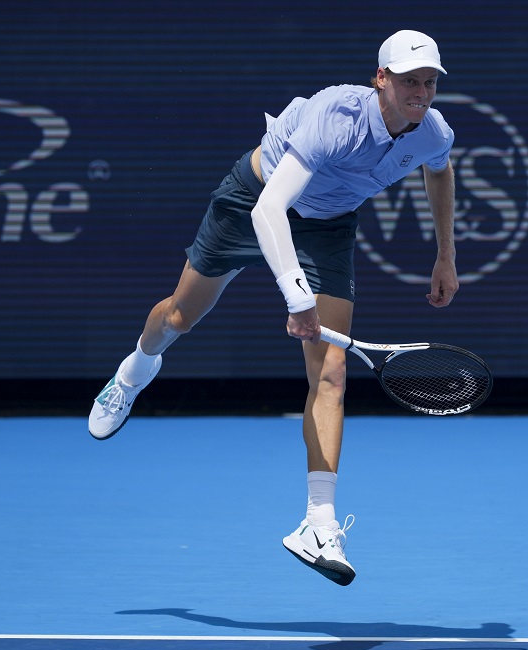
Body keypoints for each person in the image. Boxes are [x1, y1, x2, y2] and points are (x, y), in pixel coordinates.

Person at [88, 30, 458, 587]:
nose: (421, 93)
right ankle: (133, 371)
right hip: (254, 200)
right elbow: (268, 211)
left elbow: (439, 170)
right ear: (381, 79)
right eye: (410, 81)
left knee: (330, 372)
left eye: (429, 82)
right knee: (180, 317)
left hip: (327, 227)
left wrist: (445, 255)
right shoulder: (336, 117)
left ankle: (319, 522)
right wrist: (297, 296)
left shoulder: (432, 131)